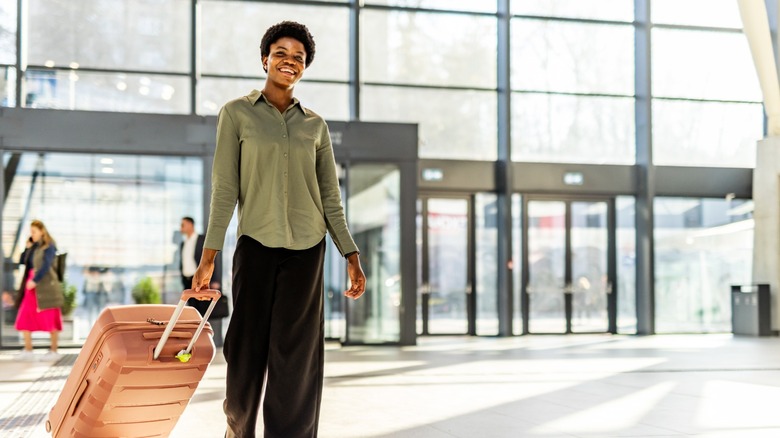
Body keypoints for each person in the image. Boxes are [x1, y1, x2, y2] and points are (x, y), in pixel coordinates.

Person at [191, 21, 367, 438]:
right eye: (282, 54)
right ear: (265, 58)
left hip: (308, 249)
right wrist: (208, 258)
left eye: (299, 58)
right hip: (255, 245)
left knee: (298, 357)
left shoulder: (315, 126)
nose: (290, 62)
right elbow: (224, 190)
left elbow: (330, 197)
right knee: (245, 349)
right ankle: (239, 429)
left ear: (305, 67)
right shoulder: (236, 113)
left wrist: (352, 257)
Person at [15, 220, 63, 361]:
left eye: (34, 232)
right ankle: (28, 350)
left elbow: (46, 266)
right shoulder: (34, 246)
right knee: (24, 316)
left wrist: (35, 281)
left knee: (50, 318)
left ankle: (54, 351)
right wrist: (27, 248)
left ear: (42, 231)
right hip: (31, 288)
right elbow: (23, 261)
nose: (32, 234)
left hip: (45, 287)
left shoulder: (49, 247)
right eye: (31, 232)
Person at [180, 216, 225, 347]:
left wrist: (215, 279)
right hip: (188, 281)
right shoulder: (184, 242)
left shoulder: (201, 239)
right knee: (193, 312)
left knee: (204, 312)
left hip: (200, 281)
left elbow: (212, 260)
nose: (181, 228)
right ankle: (195, 342)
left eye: (183, 225)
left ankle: (206, 341)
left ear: (190, 224)